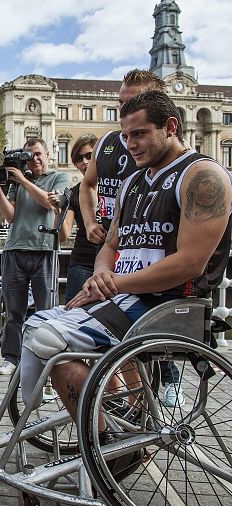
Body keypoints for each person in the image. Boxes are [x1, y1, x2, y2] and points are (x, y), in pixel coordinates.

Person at [20, 92, 232, 463]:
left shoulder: (203, 176)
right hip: (123, 295)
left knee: (48, 337)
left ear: (170, 127)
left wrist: (114, 283)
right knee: (36, 320)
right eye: (125, 135)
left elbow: (191, 263)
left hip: (168, 302)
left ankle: (104, 444)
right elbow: (111, 244)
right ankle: (93, 430)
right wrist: (101, 274)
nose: (130, 144)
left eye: (140, 134)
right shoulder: (134, 183)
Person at [78, 69, 184, 407]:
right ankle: (116, 399)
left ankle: (160, 386)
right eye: (120, 102)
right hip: (108, 241)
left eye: (132, 102)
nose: (124, 107)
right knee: (82, 313)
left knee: (137, 321)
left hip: (147, 245)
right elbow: (87, 184)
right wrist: (91, 219)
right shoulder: (109, 142)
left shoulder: (180, 163)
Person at [0, 139, 72, 375]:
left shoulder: (60, 178)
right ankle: (11, 357)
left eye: (38, 154)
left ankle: (44, 359)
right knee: (14, 311)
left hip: (45, 248)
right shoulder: (17, 182)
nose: (34, 159)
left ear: (48, 154)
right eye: (28, 156)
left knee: (46, 310)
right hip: (15, 248)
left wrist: (24, 180)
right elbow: (10, 216)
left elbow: (49, 203)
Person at [53, 135, 99, 301]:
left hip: (114, 263)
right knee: (73, 314)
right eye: (79, 159)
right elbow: (63, 236)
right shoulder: (73, 193)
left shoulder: (118, 187)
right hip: (83, 262)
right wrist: (58, 211)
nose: (85, 162)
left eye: (89, 156)